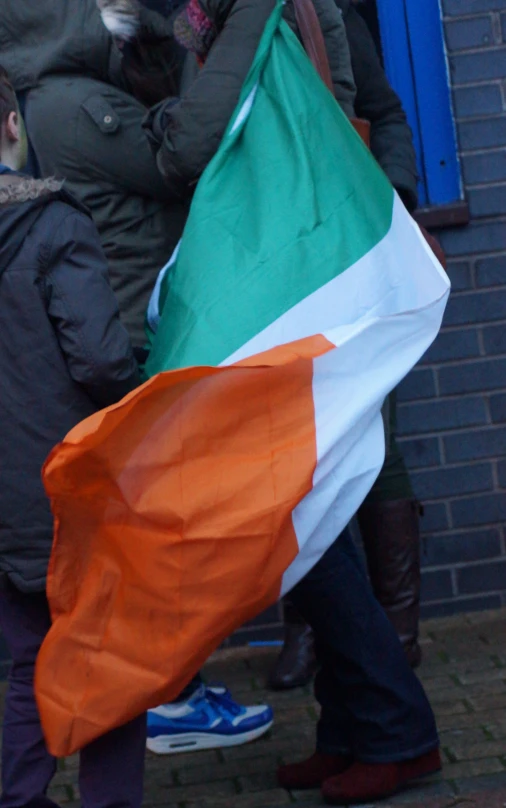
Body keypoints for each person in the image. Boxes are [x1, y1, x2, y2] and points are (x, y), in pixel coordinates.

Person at [141, 0, 442, 803]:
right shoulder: (225, 21)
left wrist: (394, 207)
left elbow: (218, 142)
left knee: (300, 516)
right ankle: (355, 728)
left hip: (296, 273)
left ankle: (398, 731)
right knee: (309, 515)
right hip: (292, 264)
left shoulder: (268, 9)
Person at [0, 0, 274, 754]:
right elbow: (178, 154)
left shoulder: (49, 102)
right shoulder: (74, 105)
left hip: (88, 354)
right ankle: (168, 699)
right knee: (147, 543)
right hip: (120, 335)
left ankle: (162, 696)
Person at [268, 0, 439, 691]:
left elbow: (386, 113)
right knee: (290, 442)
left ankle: (399, 627)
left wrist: (389, 196)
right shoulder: (205, 25)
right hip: (271, 260)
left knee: (373, 428)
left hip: (349, 244)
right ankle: (310, 625)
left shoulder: (331, 14)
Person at [0, 65, 146, 808]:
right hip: (62, 490)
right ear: (14, 129)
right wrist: (143, 391)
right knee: (109, 661)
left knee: (27, 662)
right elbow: (97, 356)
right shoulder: (52, 223)